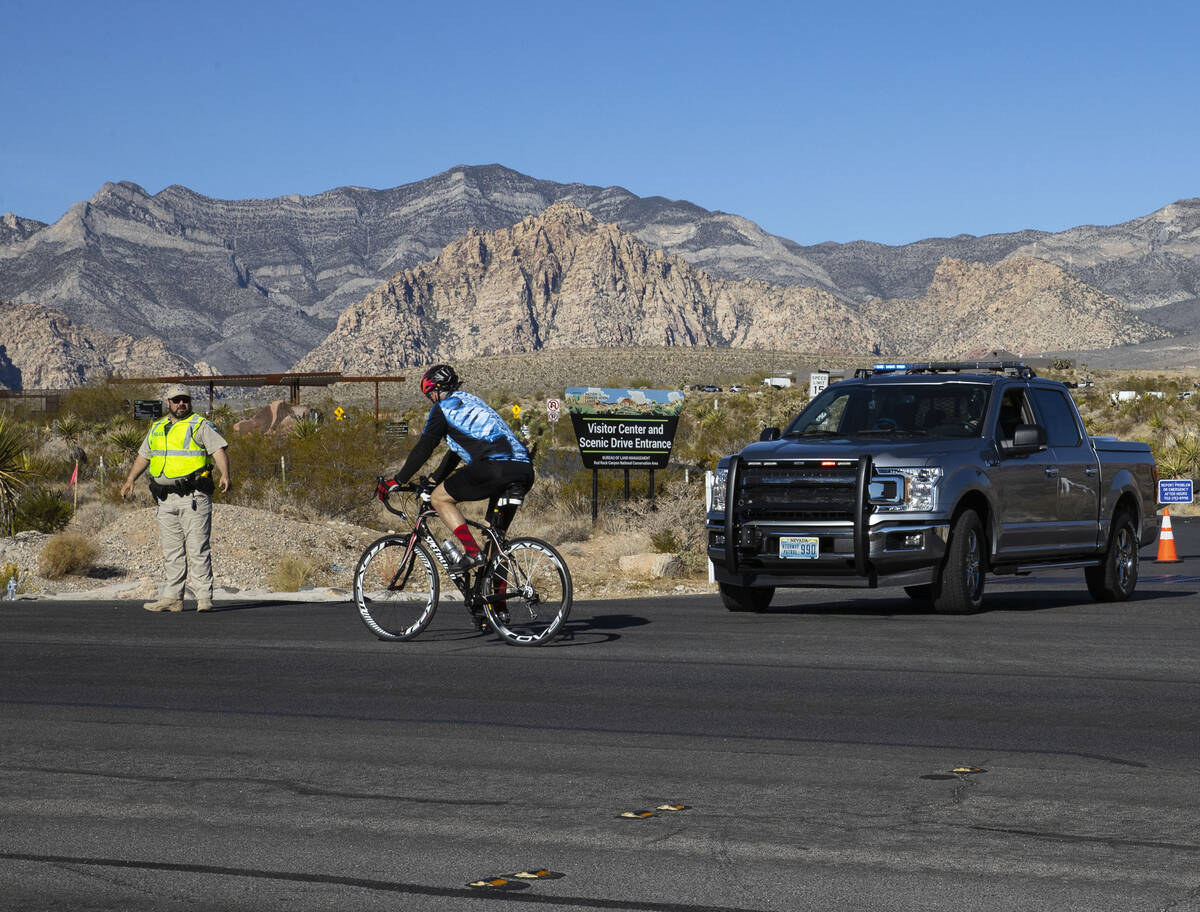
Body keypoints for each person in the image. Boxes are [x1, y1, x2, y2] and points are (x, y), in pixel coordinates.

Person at [380, 364, 534, 577]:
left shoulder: (443, 409)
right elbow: (456, 452)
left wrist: (397, 480)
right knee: (494, 544)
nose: (430, 400)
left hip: (494, 467)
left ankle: (471, 553)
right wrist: (435, 477)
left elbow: (425, 446)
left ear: (436, 390)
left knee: (439, 499)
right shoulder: (474, 402)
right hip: (523, 470)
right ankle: (495, 606)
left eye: (429, 395)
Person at [120, 384, 231, 613]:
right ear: (168, 403)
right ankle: (172, 598)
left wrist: (225, 474)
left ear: (190, 403)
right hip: (165, 499)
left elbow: (218, 450)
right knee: (172, 551)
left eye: (185, 400)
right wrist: (131, 479)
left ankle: (203, 598)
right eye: (176, 400)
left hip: (193, 497)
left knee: (198, 548)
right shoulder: (157, 428)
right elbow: (144, 456)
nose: (181, 404)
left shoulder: (199, 425)